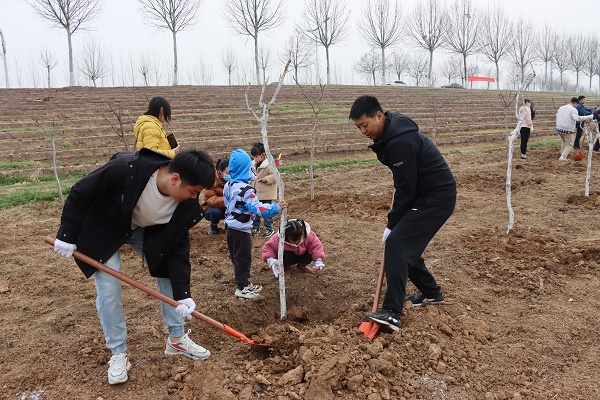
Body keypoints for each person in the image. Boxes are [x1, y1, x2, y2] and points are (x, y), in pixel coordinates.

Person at [53, 148, 215, 385]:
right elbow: (81, 191)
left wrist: (184, 295)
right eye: (192, 192)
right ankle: (119, 353)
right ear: (175, 179)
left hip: (144, 229)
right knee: (109, 287)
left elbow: (177, 250)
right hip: (106, 226)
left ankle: (177, 339)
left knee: (169, 272)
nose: (194, 198)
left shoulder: (184, 205)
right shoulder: (127, 169)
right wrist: (67, 234)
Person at [349, 95, 456, 331]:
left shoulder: (400, 142)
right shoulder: (392, 129)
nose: (363, 131)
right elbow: (406, 183)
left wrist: (392, 224)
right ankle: (431, 293)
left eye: (365, 125)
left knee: (397, 242)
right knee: (407, 245)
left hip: (436, 197)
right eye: (358, 127)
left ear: (379, 116)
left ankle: (392, 312)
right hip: (425, 193)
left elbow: (405, 189)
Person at [224, 149, 287, 299]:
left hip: (230, 228)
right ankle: (242, 287)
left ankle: (244, 282)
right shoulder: (246, 190)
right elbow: (258, 208)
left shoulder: (229, 185)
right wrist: (275, 208)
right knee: (243, 258)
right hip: (241, 230)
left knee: (237, 257)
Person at [262, 218, 326, 279]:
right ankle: (286, 269)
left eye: (299, 239)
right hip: (288, 257)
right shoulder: (277, 239)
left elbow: (316, 246)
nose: (296, 242)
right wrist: (270, 260)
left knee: (310, 252)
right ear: (286, 236)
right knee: (285, 254)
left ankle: (302, 266)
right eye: (293, 240)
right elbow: (268, 248)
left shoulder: (309, 236)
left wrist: (318, 260)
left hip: (302, 254)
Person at [250, 142, 278, 238]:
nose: (255, 159)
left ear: (263, 155)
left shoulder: (269, 165)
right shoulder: (253, 165)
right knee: (255, 211)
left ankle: (269, 228)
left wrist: (266, 179)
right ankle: (255, 227)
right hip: (255, 193)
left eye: (256, 156)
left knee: (266, 211)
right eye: (254, 157)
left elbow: (275, 176)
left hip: (265, 194)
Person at [201, 157, 229, 235]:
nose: (230, 175)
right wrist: (228, 200)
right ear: (220, 171)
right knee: (215, 212)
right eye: (228, 173)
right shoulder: (211, 180)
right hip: (213, 207)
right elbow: (211, 200)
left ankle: (229, 226)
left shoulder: (235, 180)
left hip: (227, 206)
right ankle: (213, 225)